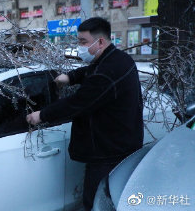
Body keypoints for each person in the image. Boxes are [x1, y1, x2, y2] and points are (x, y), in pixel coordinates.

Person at [26, 17, 144, 211]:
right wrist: (71, 77)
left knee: (96, 203)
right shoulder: (117, 59)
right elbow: (93, 70)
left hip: (109, 152)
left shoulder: (108, 72)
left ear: (100, 42)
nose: (79, 47)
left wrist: (42, 115)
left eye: (83, 42)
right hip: (119, 144)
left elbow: (78, 103)